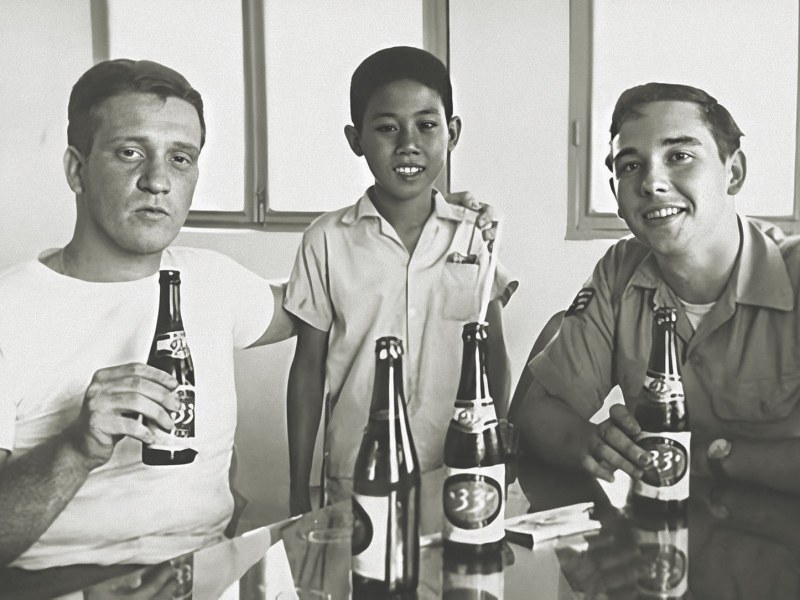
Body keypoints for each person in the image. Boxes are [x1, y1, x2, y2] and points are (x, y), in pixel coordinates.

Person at [0, 59, 296, 569]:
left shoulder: (213, 280)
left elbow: (319, 301)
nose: (158, 180)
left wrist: (425, 223)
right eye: (130, 152)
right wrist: (76, 448)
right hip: (55, 584)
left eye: (180, 158)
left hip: (205, 571)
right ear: (76, 170)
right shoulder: (11, 309)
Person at [510, 82, 800, 495]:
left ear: (733, 172)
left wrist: (713, 457)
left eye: (679, 156)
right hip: (653, 525)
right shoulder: (619, 271)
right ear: (616, 194)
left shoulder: (793, 273)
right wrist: (592, 443)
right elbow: (539, 412)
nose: (652, 183)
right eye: (630, 166)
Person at [284, 46, 517, 515]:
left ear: (452, 133)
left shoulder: (474, 234)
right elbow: (308, 370)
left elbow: (491, 350)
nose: (408, 144)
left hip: (458, 466)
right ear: (356, 139)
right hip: (357, 471)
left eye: (427, 125)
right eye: (387, 128)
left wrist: (496, 446)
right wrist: (297, 486)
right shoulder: (326, 240)